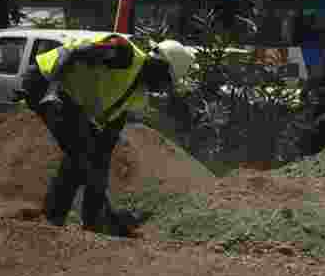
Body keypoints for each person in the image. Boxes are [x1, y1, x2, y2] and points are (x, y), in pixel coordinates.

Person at [20, 35, 194, 234]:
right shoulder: (122, 53)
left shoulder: (136, 96)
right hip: (45, 82)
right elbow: (73, 53)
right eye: (167, 82)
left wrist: (99, 165)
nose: (163, 90)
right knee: (81, 153)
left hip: (70, 100)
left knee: (95, 158)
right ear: (160, 66)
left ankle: (95, 223)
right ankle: (53, 220)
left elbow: (105, 147)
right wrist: (51, 90)